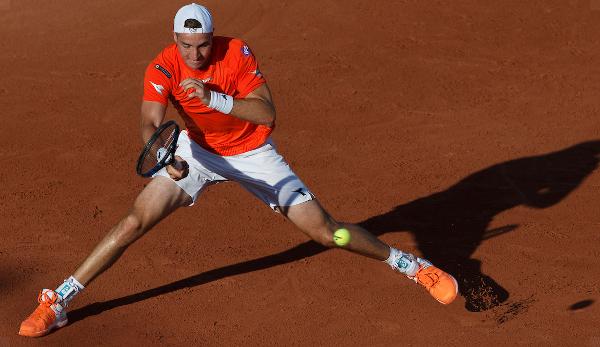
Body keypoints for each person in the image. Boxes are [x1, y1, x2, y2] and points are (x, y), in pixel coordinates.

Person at [18, 3, 458, 338]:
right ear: (174, 39)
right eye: (186, 45)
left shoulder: (236, 53)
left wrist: (214, 99)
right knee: (133, 221)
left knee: (328, 232)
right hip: (197, 152)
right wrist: (163, 156)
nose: (194, 53)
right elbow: (150, 123)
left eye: (202, 44)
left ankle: (413, 266)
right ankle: (59, 301)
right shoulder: (161, 67)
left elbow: (266, 111)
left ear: (213, 37)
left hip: (253, 154)